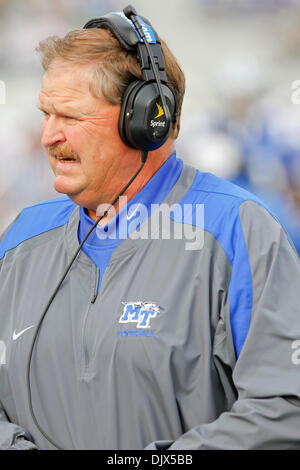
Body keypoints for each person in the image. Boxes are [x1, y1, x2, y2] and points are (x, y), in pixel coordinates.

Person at [0, 7, 300, 451]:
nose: (48, 136)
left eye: (70, 117)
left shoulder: (239, 230)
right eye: (46, 114)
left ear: (146, 121)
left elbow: (284, 407)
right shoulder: (22, 239)